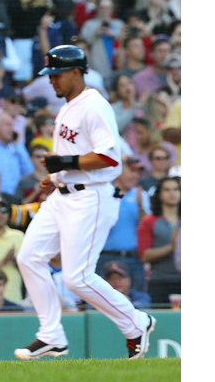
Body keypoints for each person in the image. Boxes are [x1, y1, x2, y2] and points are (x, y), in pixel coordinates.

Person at [13, 45, 156, 361]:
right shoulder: (68, 105)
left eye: (57, 74)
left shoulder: (94, 105)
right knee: (29, 257)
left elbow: (110, 157)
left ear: (76, 72)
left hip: (91, 197)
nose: (52, 81)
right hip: (63, 194)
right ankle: (51, 336)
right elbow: (74, 155)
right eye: (50, 75)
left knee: (76, 277)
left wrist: (64, 162)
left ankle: (136, 322)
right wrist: (57, 175)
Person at [96, 156, 150, 292]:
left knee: (137, 297)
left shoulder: (141, 195)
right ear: (118, 170)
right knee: (102, 296)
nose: (135, 176)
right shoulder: (103, 193)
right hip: (105, 255)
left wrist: (140, 207)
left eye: (138, 172)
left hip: (133, 257)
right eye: (131, 171)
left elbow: (145, 228)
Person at [137, 176, 181, 305]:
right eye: (167, 190)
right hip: (160, 281)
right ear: (159, 194)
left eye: (176, 189)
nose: (172, 193)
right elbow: (144, 255)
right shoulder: (149, 221)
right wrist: (171, 247)